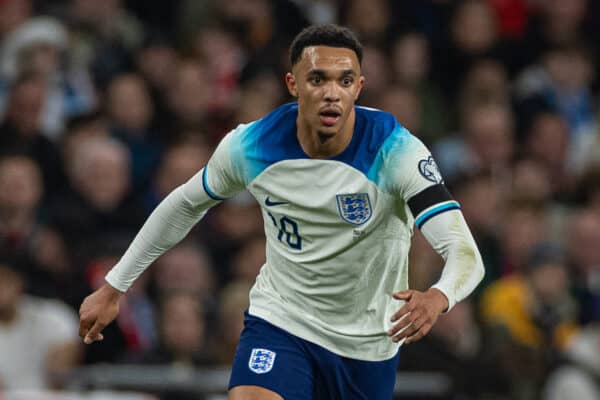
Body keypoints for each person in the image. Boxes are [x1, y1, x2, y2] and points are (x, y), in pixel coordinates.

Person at [79, 24, 485, 400]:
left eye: (345, 81)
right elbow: (185, 204)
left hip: (368, 342)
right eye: (317, 79)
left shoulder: (396, 151)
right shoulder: (252, 146)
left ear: (359, 88)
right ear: (293, 84)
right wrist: (115, 286)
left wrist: (438, 297)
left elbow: (464, 251)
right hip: (283, 320)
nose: (332, 93)